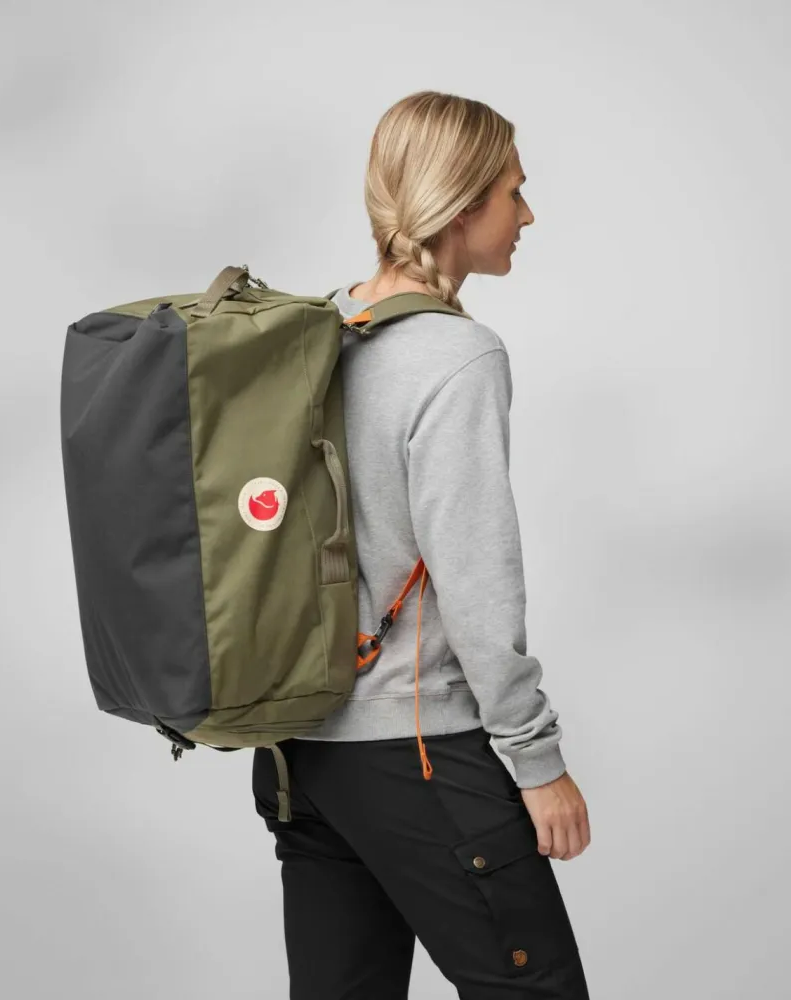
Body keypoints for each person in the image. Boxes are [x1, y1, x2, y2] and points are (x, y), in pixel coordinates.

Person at [251, 90, 593, 998]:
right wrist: (536, 761)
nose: (527, 215)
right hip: (418, 747)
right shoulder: (456, 358)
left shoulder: (315, 330)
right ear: (463, 203)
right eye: (514, 192)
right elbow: (476, 578)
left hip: (300, 757)